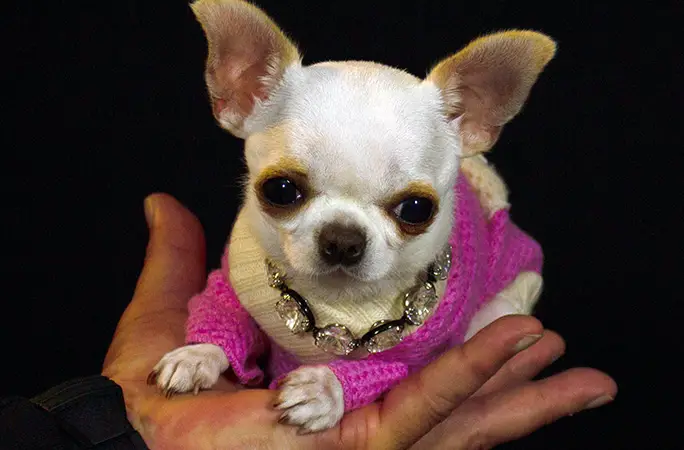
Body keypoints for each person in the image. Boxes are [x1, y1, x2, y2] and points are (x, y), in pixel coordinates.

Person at [0, 194, 617, 449]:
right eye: (289, 189)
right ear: (238, 96)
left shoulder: (437, 285)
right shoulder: (257, 254)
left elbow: (405, 358)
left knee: (482, 334)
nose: (340, 236)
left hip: (452, 303)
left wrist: (340, 384)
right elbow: (231, 300)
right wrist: (207, 352)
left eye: (407, 206)